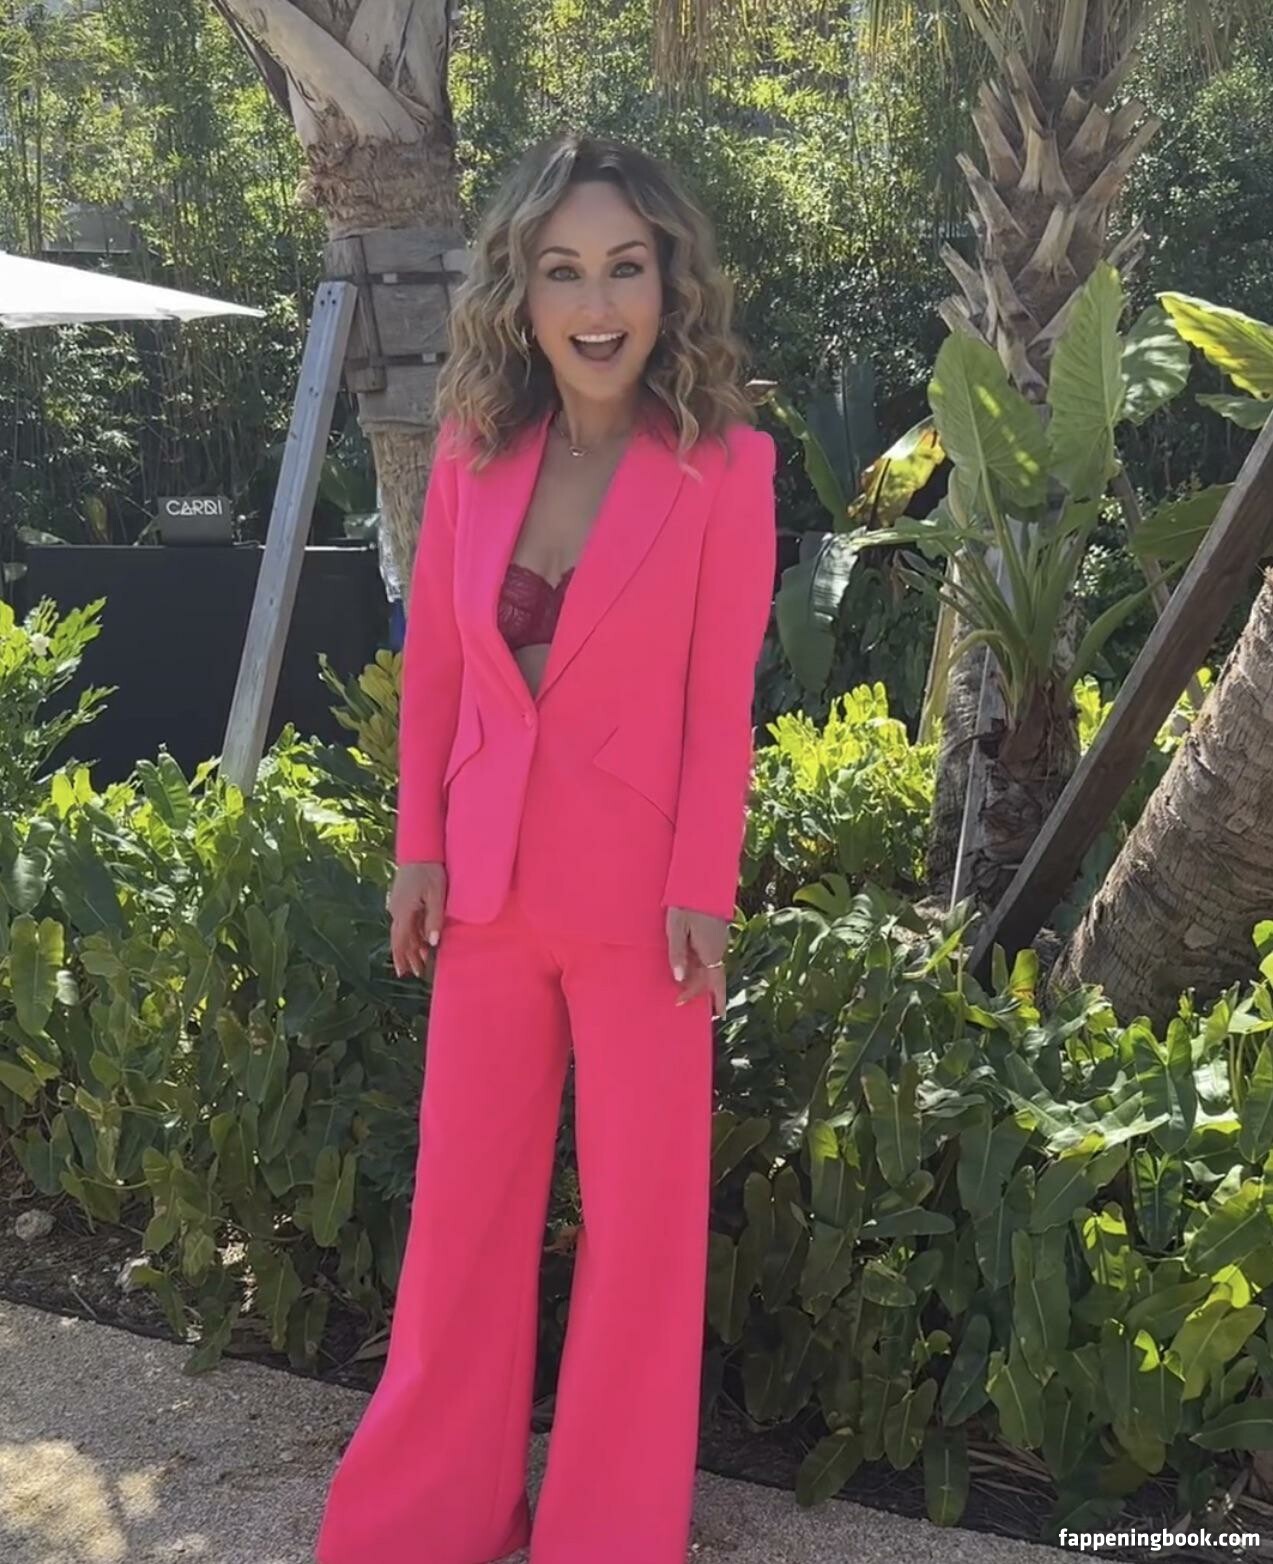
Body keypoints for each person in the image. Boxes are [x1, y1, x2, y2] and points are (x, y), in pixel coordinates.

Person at [314, 129, 777, 1564]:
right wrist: (418, 849)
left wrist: (705, 884)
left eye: (624, 267)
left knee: (640, 1241)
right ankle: (429, 1513)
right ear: (519, 291)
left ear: (668, 283)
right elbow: (440, 671)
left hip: (645, 909)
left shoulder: (727, 467)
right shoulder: (474, 452)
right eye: (563, 269)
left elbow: (721, 698)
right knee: (463, 1222)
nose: (596, 302)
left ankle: (606, 1531)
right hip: (487, 895)